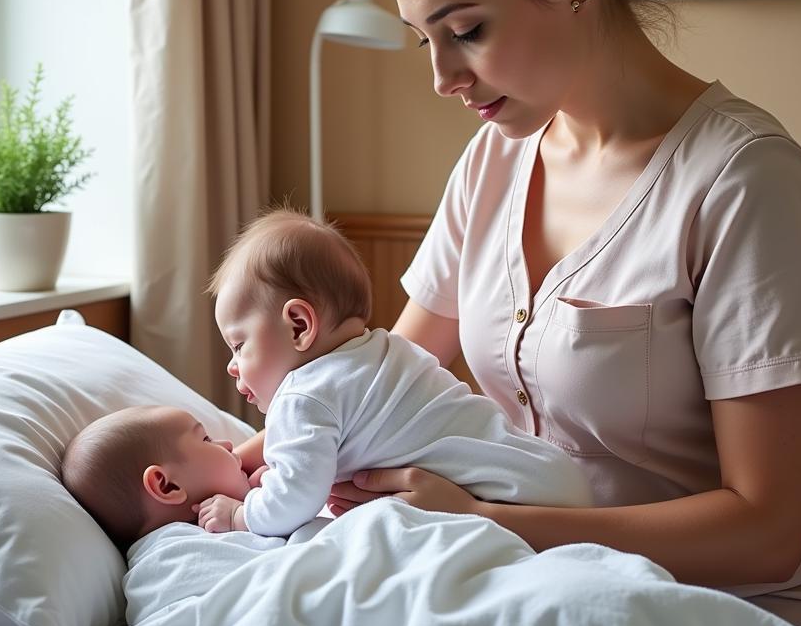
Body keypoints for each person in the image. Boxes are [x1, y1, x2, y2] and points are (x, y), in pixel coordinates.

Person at [312, 0, 801, 626]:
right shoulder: (494, 164)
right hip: (561, 606)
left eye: (465, 31)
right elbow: (387, 381)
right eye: (424, 40)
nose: (442, 77)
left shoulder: (740, 178)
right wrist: (243, 455)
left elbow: (768, 532)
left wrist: (491, 527)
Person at [198, 208, 591, 538]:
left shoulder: (302, 395)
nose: (232, 365)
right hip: (550, 479)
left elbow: (295, 497)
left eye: (238, 345)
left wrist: (239, 514)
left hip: (506, 503)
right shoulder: (386, 352)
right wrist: (247, 457)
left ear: (299, 325)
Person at [61, 404, 258, 549]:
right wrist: (250, 515)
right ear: (167, 486)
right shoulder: (174, 554)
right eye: (206, 439)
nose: (228, 445)